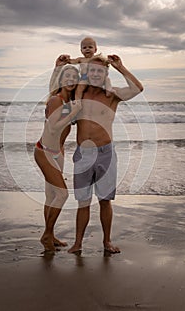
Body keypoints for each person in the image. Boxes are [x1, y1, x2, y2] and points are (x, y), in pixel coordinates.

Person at [68, 54, 144, 254]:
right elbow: (56, 93)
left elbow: (138, 89)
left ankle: (106, 242)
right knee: (83, 202)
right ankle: (78, 243)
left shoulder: (112, 95)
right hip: (84, 153)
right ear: (87, 72)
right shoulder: (79, 95)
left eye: (99, 71)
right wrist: (57, 66)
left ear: (105, 74)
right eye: (92, 70)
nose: (95, 73)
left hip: (105, 153)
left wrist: (121, 67)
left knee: (104, 200)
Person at [34, 64, 82, 252]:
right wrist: (73, 113)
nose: (70, 80)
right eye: (67, 76)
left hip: (58, 154)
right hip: (44, 151)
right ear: (61, 80)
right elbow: (54, 128)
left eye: (74, 77)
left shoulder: (69, 101)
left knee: (51, 196)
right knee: (62, 194)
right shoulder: (56, 100)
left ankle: (51, 235)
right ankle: (46, 235)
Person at [49, 37, 114, 100]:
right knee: (80, 88)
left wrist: (110, 60)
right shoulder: (81, 59)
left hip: (95, 79)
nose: (87, 49)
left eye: (90, 47)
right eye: (84, 48)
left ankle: (109, 91)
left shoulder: (96, 58)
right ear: (81, 51)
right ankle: (78, 101)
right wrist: (66, 60)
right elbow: (72, 61)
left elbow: (104, 61)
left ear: (95, 50)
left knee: (107, 79)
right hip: (84, 78)